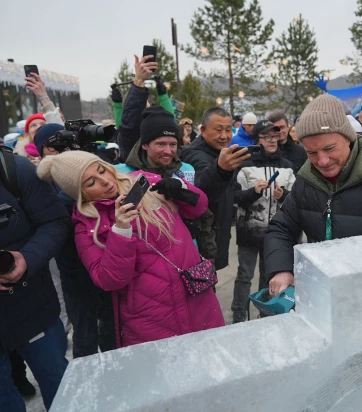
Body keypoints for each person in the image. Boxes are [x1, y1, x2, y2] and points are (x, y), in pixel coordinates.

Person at [37, 151, 225, 348]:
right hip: (150, 317)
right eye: (91, 183)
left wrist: (181, 189)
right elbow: (109, 280)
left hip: (198, 300)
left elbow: (199, 207)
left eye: (102, 170)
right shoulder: (86, 226)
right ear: (80, 194)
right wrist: (120, 231)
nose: (105, 181)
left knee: (210, 361)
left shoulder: (146, 182)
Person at [264, 94, 362, 296]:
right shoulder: (305, 182)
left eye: (329, 148)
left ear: (348, 138)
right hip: (320, 294)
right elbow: (281, 228)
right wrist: (281, 268)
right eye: (311, 153)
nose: (322, 161)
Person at [33, 124, 117, 359]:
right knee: (85, 336)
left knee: (112, 333)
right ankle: (88, 382)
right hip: (75, 279)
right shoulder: (42, 186)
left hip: (106, 272)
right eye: (53, 145)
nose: (62, 150)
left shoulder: (90, 169)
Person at [0, 148, 71, 412]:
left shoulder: (15, 169)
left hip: (32, 306)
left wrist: (27, 258)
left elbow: (55, 221)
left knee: (62, 387)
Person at [231, 120, 296, 323]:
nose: (271, 140)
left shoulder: (287, 166)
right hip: (249, 232)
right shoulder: (245, 165)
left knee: (268, 277)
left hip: (276, 235)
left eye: (274, 136)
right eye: (266, 137)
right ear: (257, 140)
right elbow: (235, 197)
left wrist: (282, 194)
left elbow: (295, 199)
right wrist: (254, 192)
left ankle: (264, 317)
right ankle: (239, 317)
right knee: (244, 276)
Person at [181, 108, 251, 270]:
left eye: (228, 130)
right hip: (202, 240)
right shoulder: (195, 155)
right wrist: (220, 169)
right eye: (218, 130)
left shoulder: (221, 152)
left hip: (217, 234)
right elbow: (201, 189)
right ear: (203, 131)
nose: (224, 136)